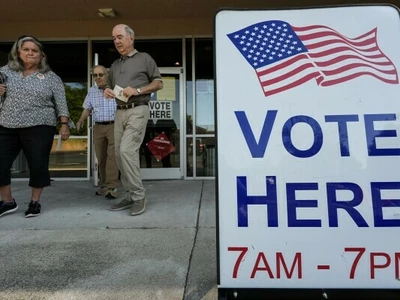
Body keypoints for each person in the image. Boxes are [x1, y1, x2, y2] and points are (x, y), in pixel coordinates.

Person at [0, 35, 71, 218]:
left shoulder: (51, 77)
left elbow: (61, 102)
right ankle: (7, 201)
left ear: (41, 55)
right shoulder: (4, 72)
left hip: (40, 125)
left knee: (38, 165)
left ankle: (34, 202)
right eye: (26, 49)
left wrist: (64, 124)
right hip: (7, 124)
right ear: (18, 52)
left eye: (35, 51)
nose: (30, 53)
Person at [104, 24, 163, 216]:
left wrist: (137, 90)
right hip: (119, 111)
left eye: (120, 37)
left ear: (131, 38)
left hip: (138, 109)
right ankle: (130, 194)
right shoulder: (114, 65)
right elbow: (111, 87)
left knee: (127, 151)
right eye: (114, 38)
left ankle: (139, 196)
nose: (117, 41)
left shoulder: (144, 58)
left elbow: (158, 83)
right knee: (120, 156)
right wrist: (107, 90)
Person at [76, 65, 119, 199]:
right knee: (101, 158)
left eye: (101, 74)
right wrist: (80, 120)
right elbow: (87, 108)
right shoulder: (92, 91)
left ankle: (112, 187)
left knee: (112, 157)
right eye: (95, 75)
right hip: (98, 127)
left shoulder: (116, 89)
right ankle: (104, 185)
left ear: (107, 75)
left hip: (113, 126)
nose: (98, 77)